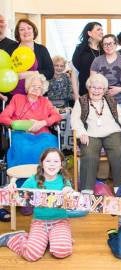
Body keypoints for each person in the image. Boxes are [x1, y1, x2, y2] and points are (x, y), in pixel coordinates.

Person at [0, 148, 73, 261]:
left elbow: (70, 195)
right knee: (31, 254)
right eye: (48, 161)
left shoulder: (64, 181)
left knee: (62, 251)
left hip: (60, 221)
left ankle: (54, 239)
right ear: (42, 163)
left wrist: (69, 191)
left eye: (56, 161)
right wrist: (12, 188)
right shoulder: (33, 180)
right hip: (40, 222)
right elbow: (19, 195)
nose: (52, 164)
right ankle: (16, 237)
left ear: (61, 165)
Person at [70, 73, 121, 193]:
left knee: (119, 153)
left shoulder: (110, 100)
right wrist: (81, 132)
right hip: (90, 134)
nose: (96, 91)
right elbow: (75, 119)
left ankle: (120, 188)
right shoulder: (81, 101)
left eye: (100, 88)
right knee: (89, 154)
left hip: (112, 132)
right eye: (93, 87)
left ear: (104, 90)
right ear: (88, 88)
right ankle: (86, 191)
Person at [0, 72, 62, 168]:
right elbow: (3, 117)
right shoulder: (17, 99)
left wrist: (43, 123)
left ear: (42, 90)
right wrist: (19, 125)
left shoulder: (45, 102)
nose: (35, 89)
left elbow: (57, 116)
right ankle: (22, 180)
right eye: (33, 85)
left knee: (48, 147)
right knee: (23, 147)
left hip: (43, 134)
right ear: (28, 86)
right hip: (21, 134)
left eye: (39, 87)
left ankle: (45, 178)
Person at [91, 34, 121, 114]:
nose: (108, 46)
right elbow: (92, 82)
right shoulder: (97, 61)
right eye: (105, 44)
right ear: (102, 46)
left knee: (119, 125)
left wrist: (119, 89)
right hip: (102, 101)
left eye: (111, 43)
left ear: (116, 44)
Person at [0, 14, 17, 222]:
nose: (0, 25)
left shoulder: (13, 46)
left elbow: (13, 73)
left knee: (2, 149)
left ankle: (3, 201)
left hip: (6, 100)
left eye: (2, 22)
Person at [11, 18, 54, 96]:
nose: (26, 31)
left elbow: (50, 72)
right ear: (18, 33)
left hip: (36, 95)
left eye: (29, 28)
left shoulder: (42, 49)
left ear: (33, 31)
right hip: (15, 95)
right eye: (22, 29)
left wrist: (29, 74)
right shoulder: (11, 48)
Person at [72, 22, 103, 98]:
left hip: (103, 92)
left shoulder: (105, 50)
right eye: (98, 29)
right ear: (89, 33)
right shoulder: (80, 50)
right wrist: (76, 94)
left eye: (102, 30)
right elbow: (74, 74)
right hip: (85, 91)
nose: (102, 32)